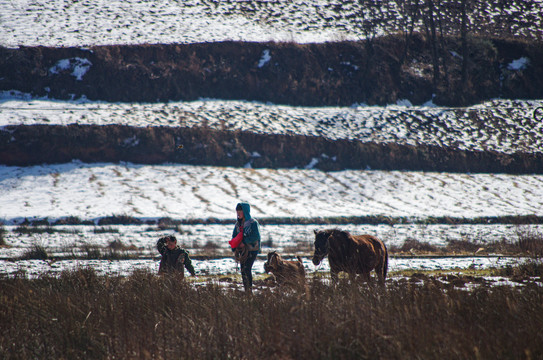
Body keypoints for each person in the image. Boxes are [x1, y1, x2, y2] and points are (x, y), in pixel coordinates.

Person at [231, 202, 261, 293]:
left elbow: (256, 236)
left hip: (252, 250)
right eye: (237, 211)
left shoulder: (253, 223)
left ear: (245, 211)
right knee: (243, 271)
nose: (238, 213)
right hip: (242, 252)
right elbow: (234, 236)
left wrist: (244, 242)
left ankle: (249, 291)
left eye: (240, 211)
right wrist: (234, 246)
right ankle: (247, 291)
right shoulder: (237, 224)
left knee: (247, 269)